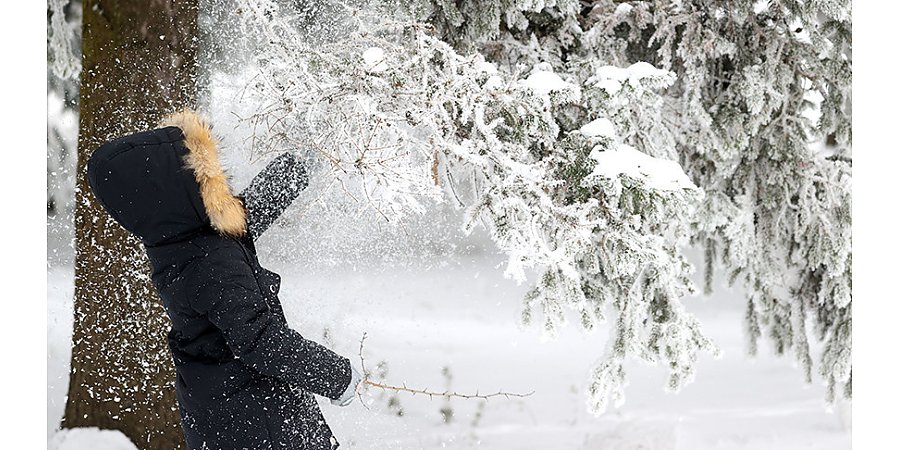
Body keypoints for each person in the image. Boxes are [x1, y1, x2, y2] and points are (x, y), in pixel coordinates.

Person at [87, 109, 362, 450]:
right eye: (205, 173)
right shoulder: (209, 261)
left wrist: (303, 162)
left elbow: (248, 214)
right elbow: (260, 340)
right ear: (177, 189)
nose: (218, 177)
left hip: (227, 414)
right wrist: (335, 376)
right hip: (256, 422)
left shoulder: (182, 241)